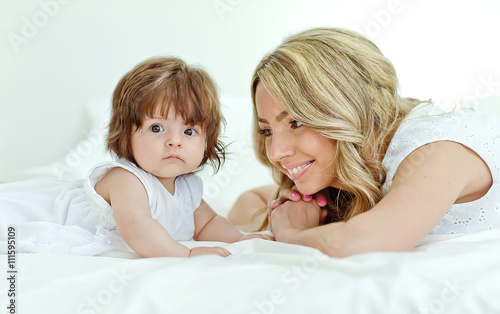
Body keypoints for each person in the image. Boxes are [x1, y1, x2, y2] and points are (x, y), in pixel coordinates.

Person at [228, 27, 500, 257]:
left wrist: (290, 233)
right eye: (267, 132)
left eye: (296, 122)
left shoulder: (438, 150)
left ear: (347, 109)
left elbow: (369, 242)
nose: (277, 153)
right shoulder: (343, 173)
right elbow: (248, 200)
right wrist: (287, 213)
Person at [0, 57, 271, 258]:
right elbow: (138, 228)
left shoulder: (188, 189)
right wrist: (185, 254)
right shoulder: (126, 180)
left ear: (207, 142)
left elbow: (208, 225)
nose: (174, 140)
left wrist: (240, 239)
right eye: (156, 128)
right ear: (125, 133)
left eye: (189, 131)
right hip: (29, 208)